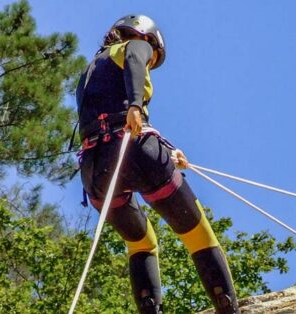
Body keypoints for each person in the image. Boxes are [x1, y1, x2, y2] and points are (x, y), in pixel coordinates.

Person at [75, 14, 239, 314]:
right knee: (198, 233)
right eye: (153, 59)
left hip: (94, 172)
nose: (150, 63)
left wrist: (171, 150)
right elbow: (136, 63)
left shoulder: (90, 71)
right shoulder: (136, 46)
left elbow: (105, 115)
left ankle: (150, 309)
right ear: (144, 35)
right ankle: (227, 307)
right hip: (135, 150)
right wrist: (136, 105)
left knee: (142, 244)